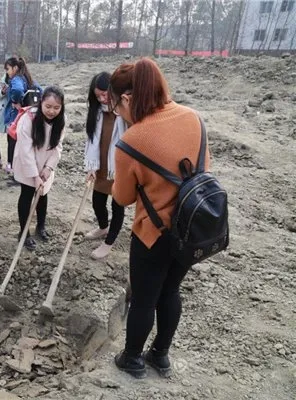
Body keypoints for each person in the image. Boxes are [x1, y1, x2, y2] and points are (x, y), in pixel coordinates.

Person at [109, 58, 210, 378]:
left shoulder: (131, 141)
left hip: (153, 234)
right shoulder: (193, 118)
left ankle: (133, 359)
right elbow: (202, 168)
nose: (118, 114)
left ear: (126, 99)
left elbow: (122, 198)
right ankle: (161, 356)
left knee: (144, 298)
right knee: (170, 292)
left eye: (115, 106)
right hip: (194, 228)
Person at [13, 86, 65, 250]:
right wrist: (35, 175)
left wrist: (49, 168)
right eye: (48, 107)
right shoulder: (28, 118)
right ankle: (24, 232)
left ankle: (40, 227)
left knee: (43, 194)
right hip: (26, 163)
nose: (52, 111)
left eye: (56, 108)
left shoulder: (61, 120)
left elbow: (58, 147)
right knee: (27, 195)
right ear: (41, 103)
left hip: (45, 165)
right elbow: (25, 149)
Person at [84, 72, 128, 259]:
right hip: (101, 166)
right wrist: (91, 166)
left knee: (118, 206)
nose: (102, 99)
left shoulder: (125, 111)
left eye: (105, 94)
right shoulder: (96, 112)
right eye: (98, 95)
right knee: (97, 203)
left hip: (119, 167)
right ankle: (103, 227)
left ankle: (109, 242)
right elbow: (91, 140)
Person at [3, 57, 36, 176]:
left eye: (8, 69)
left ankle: (12, 168)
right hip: (27, 116)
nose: (7, 72)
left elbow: (17, 90)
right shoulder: (28, 78)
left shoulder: (16, 79)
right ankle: (19, 168)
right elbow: (40, 90)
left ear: (15, 68)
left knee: (12, 141)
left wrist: (15, 101)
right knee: (22, 142)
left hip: (16, 116)